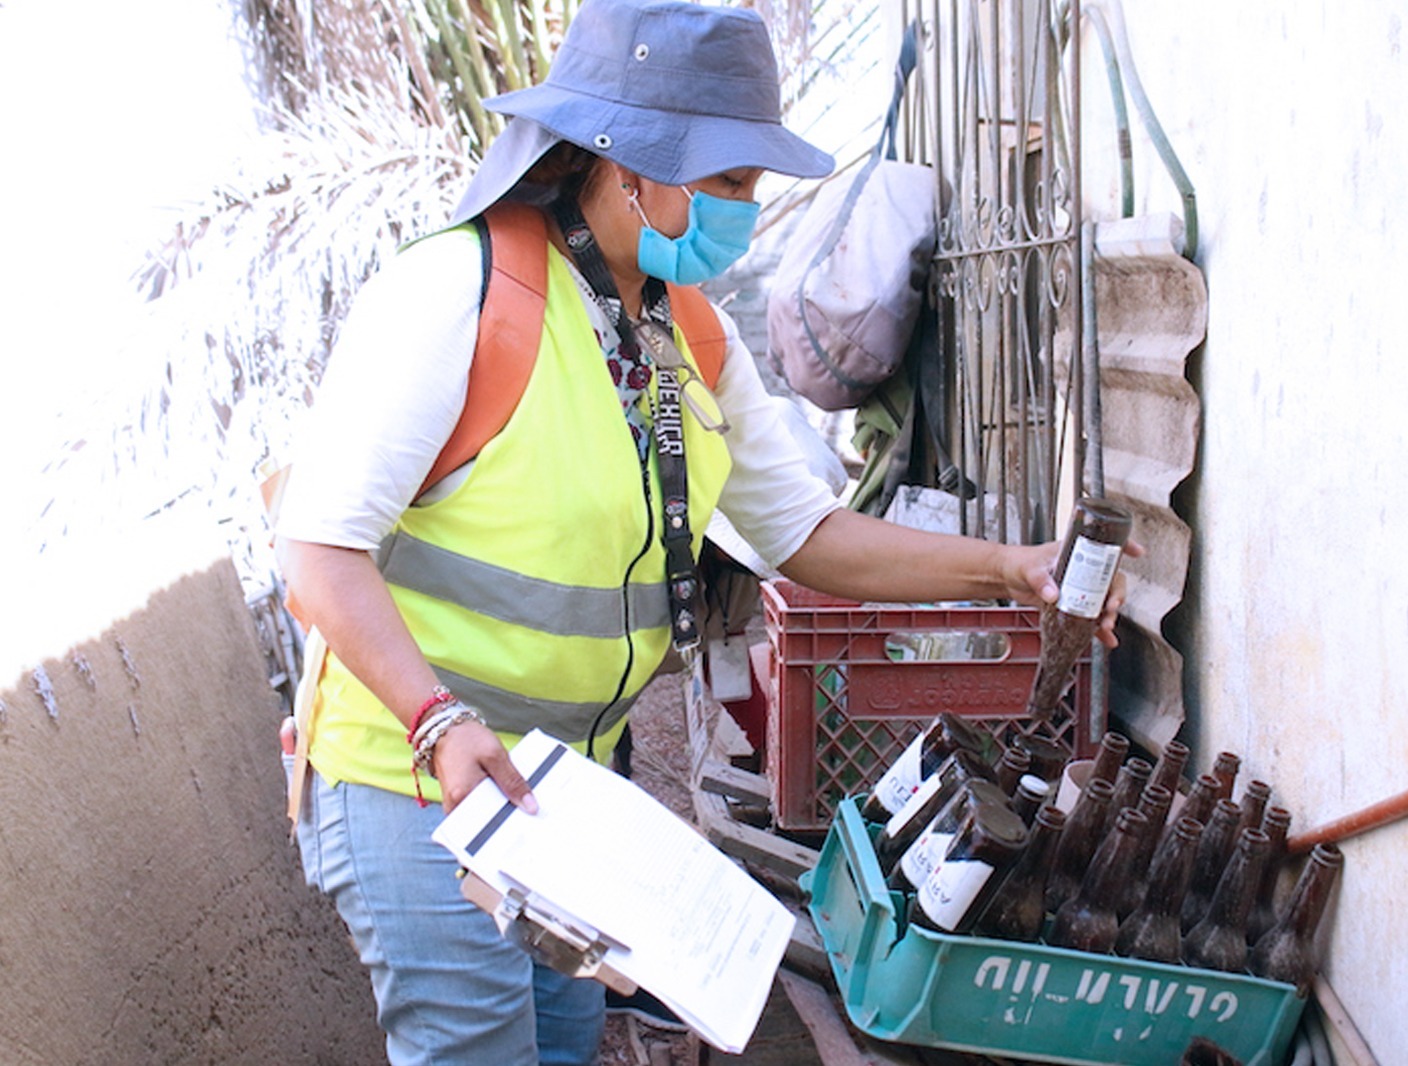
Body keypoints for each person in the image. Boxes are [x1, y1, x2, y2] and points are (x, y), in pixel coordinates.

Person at [277, 0, 1135, 1062]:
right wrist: (436, 720)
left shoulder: (687, 331)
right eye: (727, 183)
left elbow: (807, 533)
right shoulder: (457, 296)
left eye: (751, 185)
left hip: (556, 794)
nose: (745, 208)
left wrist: (1012, 570)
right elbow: (317, 549)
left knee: (558, 1044)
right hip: (413, 777)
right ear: (625, 163)